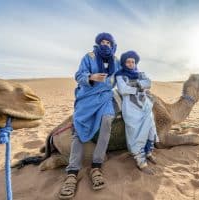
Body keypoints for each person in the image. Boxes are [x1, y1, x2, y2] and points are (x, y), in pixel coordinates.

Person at [59, 32, 120, 199]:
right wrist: (91, 77)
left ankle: (96, 166)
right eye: (102, 42)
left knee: (107, 120)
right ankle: (72, 173)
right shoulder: (89, 57)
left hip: (105, 97)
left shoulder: (116, 61)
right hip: (87, 95)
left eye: (108, 42)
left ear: (112, 44)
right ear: (98, 43)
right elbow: (79, 75)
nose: (105, 44)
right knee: (78, 128)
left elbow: (123, 78)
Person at [115, 50, 159, 175]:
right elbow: (123, 89)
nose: (130, 64)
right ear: (124, 63)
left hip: (145, 106)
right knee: (136, 134)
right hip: (131, 108)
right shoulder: (120, 75)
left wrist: (135, 85)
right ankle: (141, 162)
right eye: (128, 62)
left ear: (135, 63)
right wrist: (140, 87)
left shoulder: (140, 73)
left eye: (132, 62)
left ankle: (149, 152)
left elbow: (148, 83)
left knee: (150, 129)